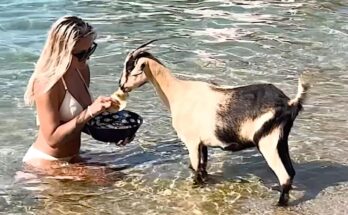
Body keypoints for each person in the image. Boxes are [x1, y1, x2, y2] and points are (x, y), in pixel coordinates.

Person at [22, 16, 124, 171]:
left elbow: (80, 124)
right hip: (46, 162)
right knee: (113, 179)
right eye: (81, 54)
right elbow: (52, 139)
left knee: (122, 172)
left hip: (71, 159)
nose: (87, 57)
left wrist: (114, 133)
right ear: (62, 52)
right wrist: (90, 112)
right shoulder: (46, 83)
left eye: (91, 49)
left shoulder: (82, 70)